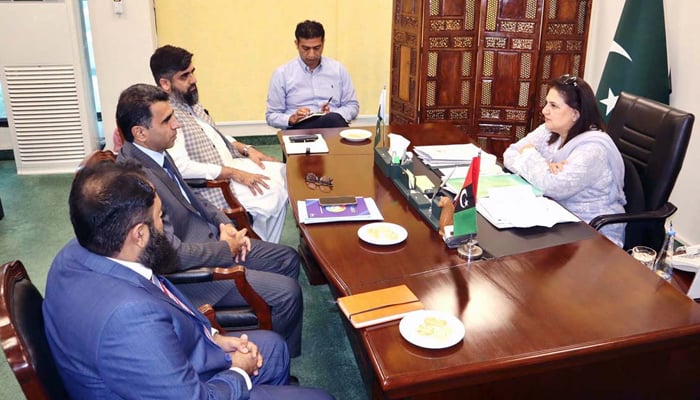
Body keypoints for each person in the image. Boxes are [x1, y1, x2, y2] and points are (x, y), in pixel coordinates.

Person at [42, 161, 333, 399]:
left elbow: (160, 292)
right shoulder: (130, 318)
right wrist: (238, 372)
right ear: (139, 235)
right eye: (160, 217)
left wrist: (214, 338)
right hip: (185, 386)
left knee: (274, 347)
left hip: (169, 359)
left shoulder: (79, 250)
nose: (165, 225)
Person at [115, 83, 303, 357]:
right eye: (167, 120)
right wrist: (225, 249)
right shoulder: (137, 181)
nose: (177, 124)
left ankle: (275, 347)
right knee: (288, 293)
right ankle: (272, 358)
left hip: (211, 238)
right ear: (140, 133)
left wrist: (223, 223)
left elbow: (193, 199)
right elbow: (170, 254)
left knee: (288, 259)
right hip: (194, 275)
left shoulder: (157, 153)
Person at [150, 45, 288, 243]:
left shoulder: (189, 102)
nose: (193, 79)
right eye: (185, 76)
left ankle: (261, 242)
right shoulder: (168, 117)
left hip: (231, 164)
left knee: (284, 172)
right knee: (273, 194)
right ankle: (259, 246)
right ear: (165, 83)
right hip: (216, 185)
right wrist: (233, 173)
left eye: (192, 72)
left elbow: (213, 134)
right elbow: (181, 167)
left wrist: (247, 149)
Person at [503, 74, 626, 247]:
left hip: (592, 231)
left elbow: (552, 187)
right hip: (558, 218)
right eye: (547, 103)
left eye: (554, 106)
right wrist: (546, 165)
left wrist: (529, 153)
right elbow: (509, 154)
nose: (545, 111)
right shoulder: (549, 129)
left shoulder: (593, 149)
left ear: (575, 114)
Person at [266, 20, 359, 130]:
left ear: (323, 43)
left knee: (333, 119)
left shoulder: (338, 69)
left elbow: (352, 106)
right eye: (306, 48)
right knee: (334, 121)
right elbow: (271, 116)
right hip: (299, 129)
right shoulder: (282, 74)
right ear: (296, 44)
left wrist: (332, 114)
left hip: (332, 126)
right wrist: (292, 118)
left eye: (317, 48)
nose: (311, 54)